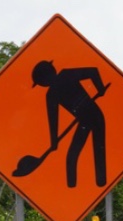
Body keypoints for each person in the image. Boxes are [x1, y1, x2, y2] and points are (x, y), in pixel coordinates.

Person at [31, 60, 108, 188]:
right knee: (75, 154)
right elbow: (53, 120)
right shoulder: (57, 86)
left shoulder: (60, 83)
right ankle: (76, 186)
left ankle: (97, 183)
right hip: (88, 118)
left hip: (93, 116)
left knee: (93, 150)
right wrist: (100, 88)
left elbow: (93, 71)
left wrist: (100, 89)